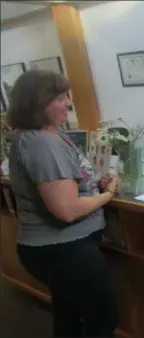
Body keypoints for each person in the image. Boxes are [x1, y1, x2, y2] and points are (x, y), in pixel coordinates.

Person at [7, 69, 119, 337]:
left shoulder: (42, 135)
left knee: (68, 313)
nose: (69, 103)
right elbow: (67, 210)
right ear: (37, 104)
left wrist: (93, 185)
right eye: (60, 98)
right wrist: (108, 195)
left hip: (53, 249)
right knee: (102, 319)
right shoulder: (41, 143)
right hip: (63, 249)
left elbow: (67, 182)